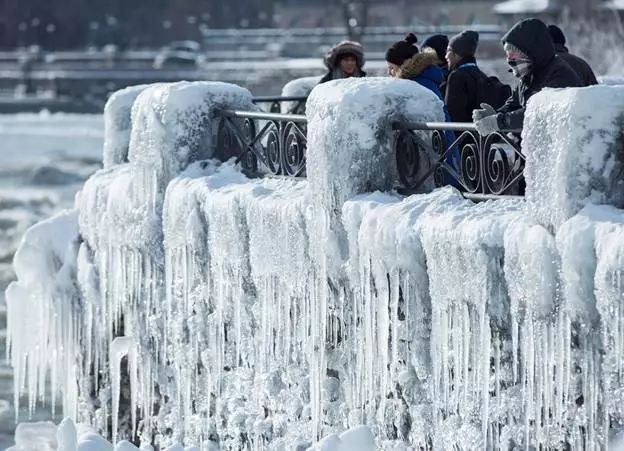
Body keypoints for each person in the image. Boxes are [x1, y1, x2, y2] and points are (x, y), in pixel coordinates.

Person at [473, 18, 582, 136]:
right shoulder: (528, 76)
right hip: (538, 149)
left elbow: (538, 113)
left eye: (514, 52)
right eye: (507, 53)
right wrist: (496, 114)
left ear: (532, 51)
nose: (509, 58)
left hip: (561, 146)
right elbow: (514, 104)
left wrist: (500, 121)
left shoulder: (558, 74)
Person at [386, 33, 459, 183]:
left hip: (437, 152)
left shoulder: (417, 85)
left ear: (402, 65)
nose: (389, 73)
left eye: (391, 68)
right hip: (439, 149)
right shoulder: (423, 79)